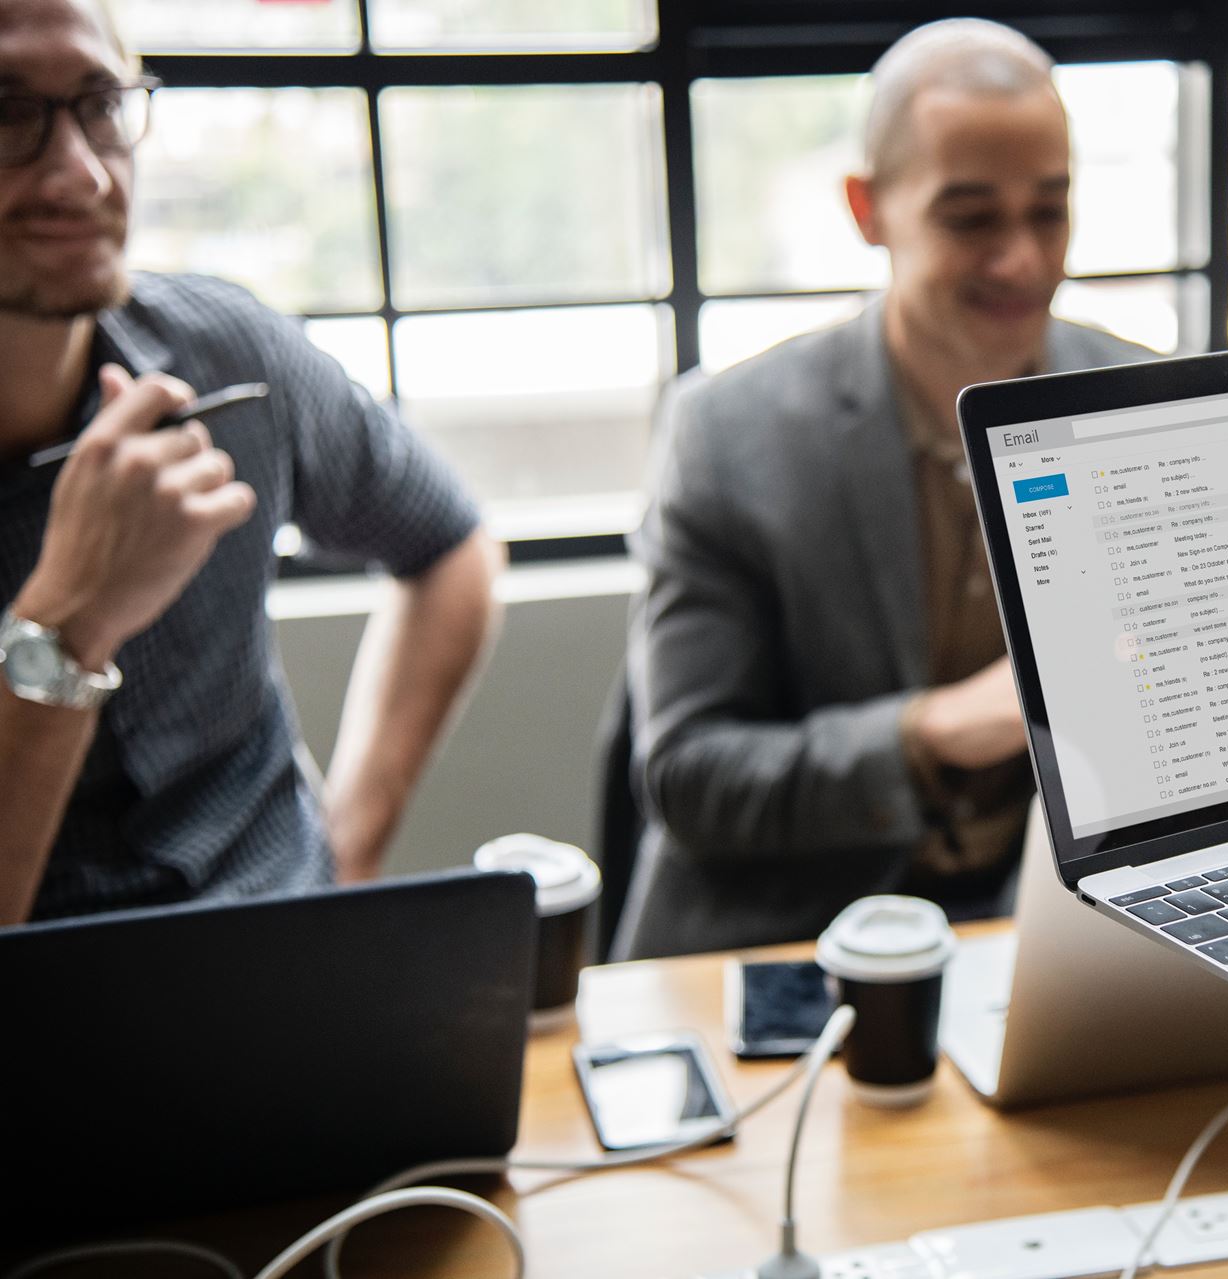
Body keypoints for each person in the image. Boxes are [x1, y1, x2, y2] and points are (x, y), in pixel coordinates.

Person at [618, 18, 1150, 958]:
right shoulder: (727, 436)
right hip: (791, 942)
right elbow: (689, 777)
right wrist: (932, 731)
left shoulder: (1142, 406)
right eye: (972, 217)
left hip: (1062, 943)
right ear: (869, 211)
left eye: (1050, 210)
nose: (1023, 259)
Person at [0, 0, 501, 925]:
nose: (79, 174)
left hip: (295, 972)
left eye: (102, 104)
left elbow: (450, 547)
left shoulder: (229, 356)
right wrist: (67, 624)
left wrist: (351, 843)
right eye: (4, 113)